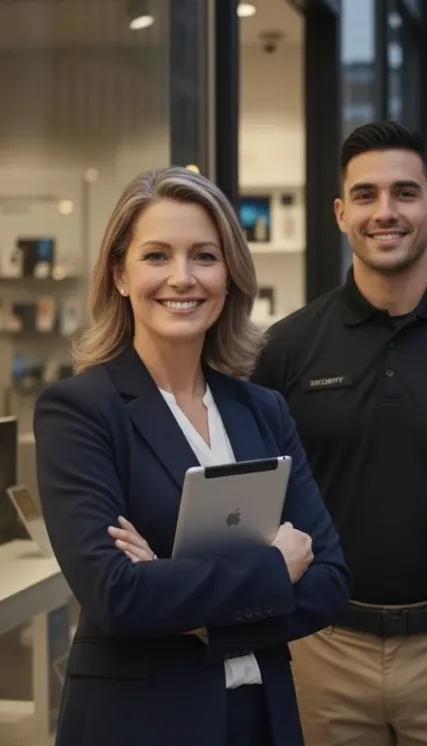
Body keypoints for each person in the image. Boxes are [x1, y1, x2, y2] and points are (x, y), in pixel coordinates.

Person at [250, 121, 427, 746]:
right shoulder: (286, 349)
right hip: (323, 650)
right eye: (365, 195)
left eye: (405, 193)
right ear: (340, 213)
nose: (385, 212)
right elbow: (258, 500)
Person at [33, 167, 350, 746]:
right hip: (139, 723)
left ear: (229, 275)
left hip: (262, 720)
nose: (182, 278)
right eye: (157, 256)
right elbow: (116, 595)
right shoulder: (80, 411)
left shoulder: (263, 410)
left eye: (204, 256)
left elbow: (328, 582)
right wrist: (273, 570)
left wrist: (184, 600)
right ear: (119, 275)